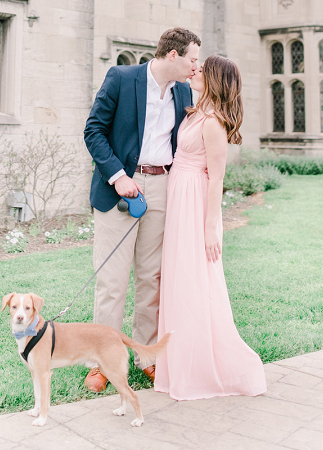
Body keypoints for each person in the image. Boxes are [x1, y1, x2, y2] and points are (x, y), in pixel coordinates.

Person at [83, 27, 201, 391]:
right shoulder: (122, 78)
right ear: (172, 55)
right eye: (192, 59)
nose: (195, 66)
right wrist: (118, 176)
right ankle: (102, 361)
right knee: (112, 281)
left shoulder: (184, 91)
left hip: (163, 186)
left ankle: (146, 357)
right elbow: (93, 131)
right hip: (121, 187)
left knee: (151, 280)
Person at [155, 54, 267, 400]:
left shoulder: (213, 124)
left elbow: (216, 179)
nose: (195, 71)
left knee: (194, 283)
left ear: (214, 79)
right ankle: (175, 366)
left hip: (195, 205)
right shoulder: (195, 114)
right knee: (177, 280)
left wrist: (209, 228)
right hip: (179, 199)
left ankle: (203, 369)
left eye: (202, 70)